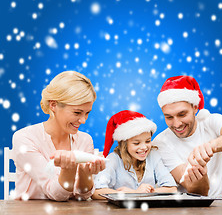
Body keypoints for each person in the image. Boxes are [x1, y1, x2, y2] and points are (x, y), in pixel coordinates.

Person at [152, 75, 222, 197]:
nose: (176, 124)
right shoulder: (161, 143)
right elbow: (195, 191)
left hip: (217, 206)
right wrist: (200, 175)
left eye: (182, 114)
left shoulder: (210, 122)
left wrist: (211, 146)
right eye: (169, 117)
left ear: (195, 108)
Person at [12, 71, 106, 201]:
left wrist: (86, 173)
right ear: (53, 105)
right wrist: (68, 170)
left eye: (87, 113)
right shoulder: (25, 138)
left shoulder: (85, 140)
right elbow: (56, 194)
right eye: (77, 112)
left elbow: (82, 195)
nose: (83, 120)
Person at [92, 110, 177, 199]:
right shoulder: (114, 159)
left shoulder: (153, 155)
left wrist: (142, 193)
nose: (144, 147)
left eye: (148, 141)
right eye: (136, 143)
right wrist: (134, 193)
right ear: (124, 144)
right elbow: (97, 192)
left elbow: (172, 189)